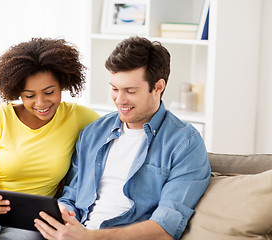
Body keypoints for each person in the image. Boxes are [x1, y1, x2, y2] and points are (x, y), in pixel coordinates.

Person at [34, 36, 211, 240]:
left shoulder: (184, 143)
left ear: (158, 87)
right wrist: (64, 212)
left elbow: (166, 228)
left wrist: (89, 237)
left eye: (130, 91)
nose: (119, 99)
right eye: (115, 88)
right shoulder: (93, 133)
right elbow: (71, 196)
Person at [0, 38, 99, 240]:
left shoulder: (79, 117)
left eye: (49, 92)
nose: (41, 102)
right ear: (18, 92)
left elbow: (120, 128)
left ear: (63, 83)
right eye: (29, 95)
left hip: (30, 222)